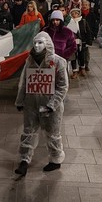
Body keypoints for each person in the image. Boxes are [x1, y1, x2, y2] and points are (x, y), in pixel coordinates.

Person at [14, 31, 69, 176]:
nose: (37, 46)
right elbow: (24, 82)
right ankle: (24, 160)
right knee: (28, 132)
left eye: (40, 43)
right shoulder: (29, 60)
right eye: (35, 43)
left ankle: (55, 160)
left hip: (50, 104)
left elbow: (63, 86)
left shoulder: (58, 62)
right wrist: (20, 100)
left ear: (47, 44)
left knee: (52, 133)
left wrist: (53, 104)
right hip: (31, 103)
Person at [66, 8, 92, 78]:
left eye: (76, 13)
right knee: (73, 57)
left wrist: (88, 41)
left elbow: (88, 32)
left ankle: (82, 68)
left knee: (82, 55)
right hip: (72, 42)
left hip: (82, 42)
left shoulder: (83, 21)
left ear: (79, 14)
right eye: (73, 13)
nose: (74, 15)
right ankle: (75, 71)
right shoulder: (69, 22)